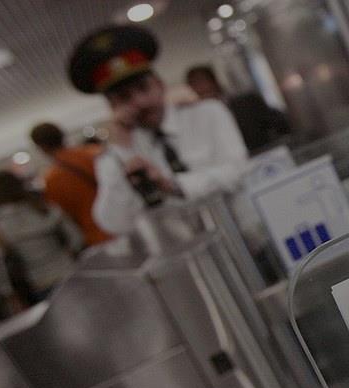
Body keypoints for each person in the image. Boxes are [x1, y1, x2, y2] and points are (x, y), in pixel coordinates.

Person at [67, 25, 248, 235]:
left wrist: (172, 185)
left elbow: (238, 172)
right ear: (112, 106)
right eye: (124, 97)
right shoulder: (113, 157)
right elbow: (115, 224)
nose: (140, 102)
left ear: (160, 85)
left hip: (244, 234)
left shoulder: (207, 113)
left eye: (143, 88)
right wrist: (122, 151)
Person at [0, 171, 83, 304]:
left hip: (39, 282)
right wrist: (68, 254)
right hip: (69, 270)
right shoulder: (43, 208)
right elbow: (77, 238)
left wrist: (10, 296)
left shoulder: (0, 226)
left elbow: (1, 265)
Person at [29, 122, 112, 246]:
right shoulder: (94, 153)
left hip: (97, 234)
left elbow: (66, 216)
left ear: (41, 147)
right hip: (126, 218)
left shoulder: (52, 180)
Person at [185, 65, 291, 154]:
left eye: (200, 81)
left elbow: (279, 123)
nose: (199, 87)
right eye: (193, 84)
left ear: (213, 80)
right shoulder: (200, 119)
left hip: (267, 155)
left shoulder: (247, 101)